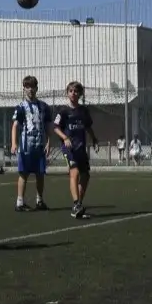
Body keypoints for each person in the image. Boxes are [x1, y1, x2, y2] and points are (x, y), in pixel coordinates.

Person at [53, 81, 98, 219]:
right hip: (69, 149)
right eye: (71, 91)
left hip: (81, 148)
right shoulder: (63, 111)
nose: (73, 93)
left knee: (85, 175)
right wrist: (65, 138)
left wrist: (94, 139)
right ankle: (76, 203)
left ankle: (78, 205)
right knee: (75, 172)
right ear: (67, 93)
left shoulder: (84, 111)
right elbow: (55, 127)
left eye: (76, 91)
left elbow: (88, 127)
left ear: (80, 94)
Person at [10, 75, 54, 212]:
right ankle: (20, 202)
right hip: (26, 147)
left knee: (40, 174)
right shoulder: (21, 107)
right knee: (23, 173)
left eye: (32, 86)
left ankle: (39, 201)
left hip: (39, 146)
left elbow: (48, 126)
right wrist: (14, 143)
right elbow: (15, 126)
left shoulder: (44, 106)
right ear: (24, 89)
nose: (30, 89)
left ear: (37, 88)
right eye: (27, 87)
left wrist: (49, 142)